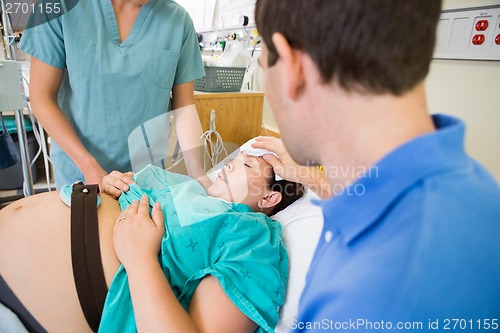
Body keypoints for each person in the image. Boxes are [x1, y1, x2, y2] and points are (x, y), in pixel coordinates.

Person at [251, 0, 500, 331]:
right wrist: (309, 175)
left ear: (293, 66)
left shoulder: (370, 300)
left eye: (264, 66)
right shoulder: (471, 187)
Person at [0, 150, 305, 333]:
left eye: (246, 166)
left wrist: (140, 260)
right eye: (234, 159)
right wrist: (109, 188)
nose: (228, 165)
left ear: (269, 197)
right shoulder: (190, 190)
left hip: (26, 306)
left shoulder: (254, 239)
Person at [19, 0, 209, 189]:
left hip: (145, 177)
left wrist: (197, 173)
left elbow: (184, 105)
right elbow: (42, 99)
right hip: (80, 172)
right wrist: (90, 168)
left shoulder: (177, 20)